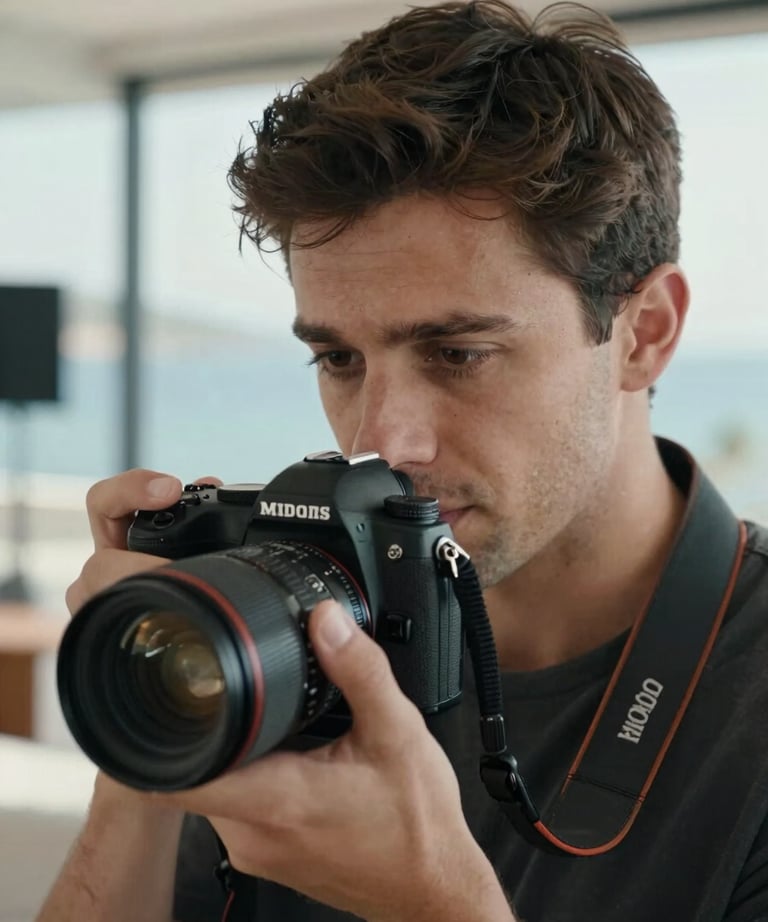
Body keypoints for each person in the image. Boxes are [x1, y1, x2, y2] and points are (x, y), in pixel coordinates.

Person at [36, 1, 768, 920]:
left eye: (457, 354)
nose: (382, 441)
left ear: (643, 335)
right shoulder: (303, 629)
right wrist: (142, 725)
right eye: (339, 358)